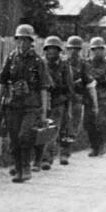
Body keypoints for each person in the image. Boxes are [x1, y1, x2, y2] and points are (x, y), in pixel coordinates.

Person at [0, 23, 51, 183]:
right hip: (13, 104)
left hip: (31, 105)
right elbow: (2, 81)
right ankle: (19, 169)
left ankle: (26, 167)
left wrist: (43, 111)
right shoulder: (11, 58)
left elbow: (43, 87)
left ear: (31, 42)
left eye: (25, 40)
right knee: (14, 138)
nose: (21, 43)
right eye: (19, 40)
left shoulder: (38, 61)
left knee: (24, 135)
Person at [39, 35, 73, 169]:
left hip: (58, 102)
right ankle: (38, 157)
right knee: (40, 130)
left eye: (54, 49)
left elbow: (69, 86)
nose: (51, 52)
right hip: (42, 101)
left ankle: (46, 158)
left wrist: (67, 105)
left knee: (52, 131)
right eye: (49, 49)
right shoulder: (40, 63)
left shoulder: (64, 65)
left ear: (59, 51)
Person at [64, 35, 99, 157]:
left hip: (76, 99)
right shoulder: (62, 62)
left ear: (80, 50)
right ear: (67, 49)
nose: (73, 52)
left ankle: (66, 151)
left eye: (76, 49)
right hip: (62, 99)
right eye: (71, 48)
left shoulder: (83, 65)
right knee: (60, 125)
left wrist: (94, 104)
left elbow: (90, 85)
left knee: (73, 126)